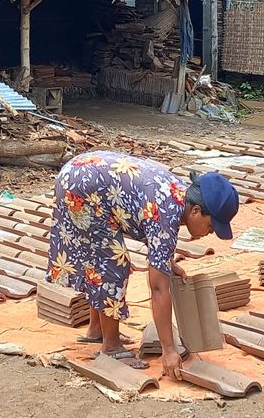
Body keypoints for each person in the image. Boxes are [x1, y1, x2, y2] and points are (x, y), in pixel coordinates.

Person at [46, 150, 239, 379]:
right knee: (110, 264)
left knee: (101, 257)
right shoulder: (167, 213)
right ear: (196, 211)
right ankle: (110, 346)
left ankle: (97, 329)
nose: (208, 234)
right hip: (82, 186)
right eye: (210, 227)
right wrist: (169, 350)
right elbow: (158, 289)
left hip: (84, 173)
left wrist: (167, 262)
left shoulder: (179, 195)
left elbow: (156, 237)